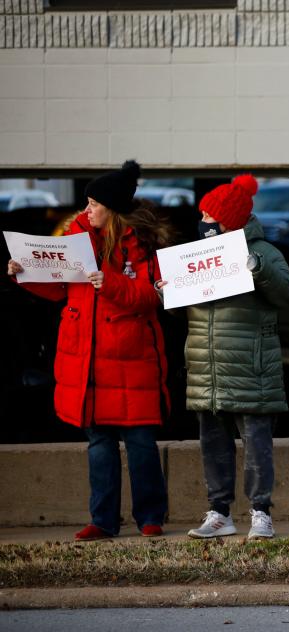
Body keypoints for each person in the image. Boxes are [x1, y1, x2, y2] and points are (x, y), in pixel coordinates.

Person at [7, 160, 174, 541]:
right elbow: (58, 289)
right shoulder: (75, 238)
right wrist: (24, 276)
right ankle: (103, 520)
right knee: (99, 445)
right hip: (87, 361)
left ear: (112, 209)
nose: (86, 210)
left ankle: (151, 517)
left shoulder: (143, 245)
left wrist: (110, 281)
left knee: (141, 444)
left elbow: (151, 297)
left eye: (94, 204)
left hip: (132, 360)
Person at [157, 175, 289, 540]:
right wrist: (166, 294)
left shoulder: (264, 253)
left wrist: (259, 268)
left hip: (250, 367)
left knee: (256, 446)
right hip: (208, 369)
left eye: (209, 215)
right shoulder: (197, 256)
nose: (203, 220)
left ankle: (260, 513)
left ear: (229, 220)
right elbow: (183, 312)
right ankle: (219, 513)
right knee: (214, 446)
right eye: (203, 214)